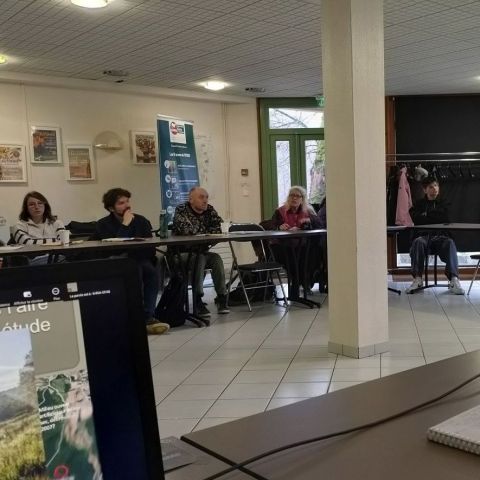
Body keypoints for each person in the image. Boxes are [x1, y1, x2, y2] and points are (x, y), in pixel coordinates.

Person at [92, 188, 170, 334]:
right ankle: (135, 316)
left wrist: (131, 251)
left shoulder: (141, 221)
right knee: (135, 269)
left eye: (127, 201)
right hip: (114, 262)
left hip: (139, 259)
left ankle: (147, 316)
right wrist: (125, 225)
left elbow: (150, 248)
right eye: (121, 203)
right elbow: (113, 249)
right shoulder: (103, 224)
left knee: (150, 271)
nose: (127, 205)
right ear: (111, 208)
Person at [172, 186, 229, 317]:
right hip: (181, 254)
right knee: (200, 258)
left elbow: (220, 228)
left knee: (216, 258)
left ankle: (222, 297)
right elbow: (187, 231)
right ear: (191, 199)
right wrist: (208, 231)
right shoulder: (181, 209)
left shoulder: (210, 210)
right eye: (201, 197)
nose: (205, 200)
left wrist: (203, 231)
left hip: (201, 251)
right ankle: (197, 299)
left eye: (207, 197)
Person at [406, 177, 464, 294]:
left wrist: (426, 215)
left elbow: (445, 217)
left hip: (441, 236)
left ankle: (454, 279)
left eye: (436, 186)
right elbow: (416, 218)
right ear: (425, 190)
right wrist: (435, 216)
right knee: (417, 242)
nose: (434, 189)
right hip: (424, 237)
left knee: (450, 242)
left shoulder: (445, 203)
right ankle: (418, 279)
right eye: (431, 187)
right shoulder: (418, 204)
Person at [270, 186, 322, 294]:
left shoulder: (308, 211)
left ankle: (303, 283)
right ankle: (298, 284)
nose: (294, 198)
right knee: (290, 257)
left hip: (303, 245)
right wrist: (279, 227)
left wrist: (310, 220)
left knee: (312, 253)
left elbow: (320, 225)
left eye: (298, 196)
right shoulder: (280, 211)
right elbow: (271, 226)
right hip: (284, 245)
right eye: (292, 195)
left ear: (302, 199)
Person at [13, 191, 66, 265]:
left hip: (58, 259)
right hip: (33, 263)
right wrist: (56, 241)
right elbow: (28, 244)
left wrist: (59, 241)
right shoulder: (19, 225)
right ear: (26, 208)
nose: (37, 207)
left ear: (45, 206)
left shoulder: (57, 223)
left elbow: (64, 241)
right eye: (32, 204)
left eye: (40, 203)